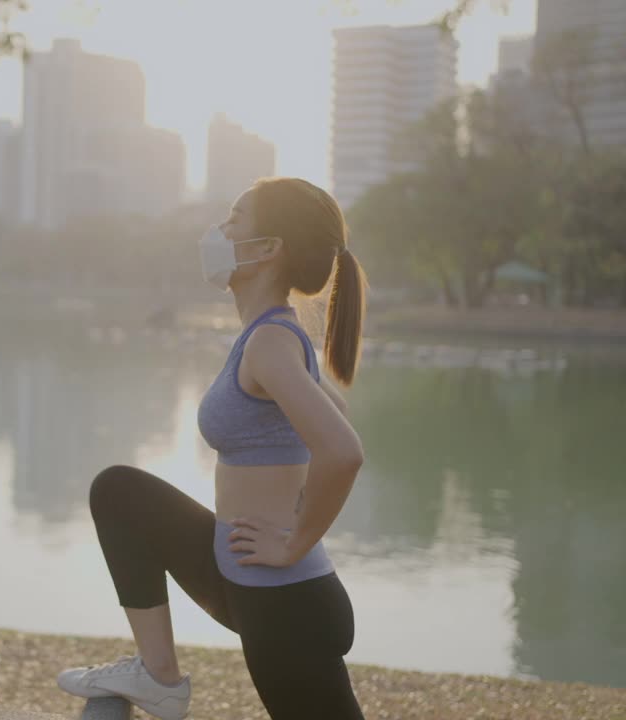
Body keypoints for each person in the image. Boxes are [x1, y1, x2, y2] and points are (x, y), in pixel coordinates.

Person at [56, 177, 367, 720]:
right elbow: (335, 413)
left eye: (233, 220)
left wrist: (294, 541)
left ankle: (158, 675)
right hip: (242, 579)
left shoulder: (271, 343)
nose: (219, 231)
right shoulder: (269, 338)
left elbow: (343, 451)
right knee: (120, 493)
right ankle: (157, 675)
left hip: (286, 603)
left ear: (269, 249)